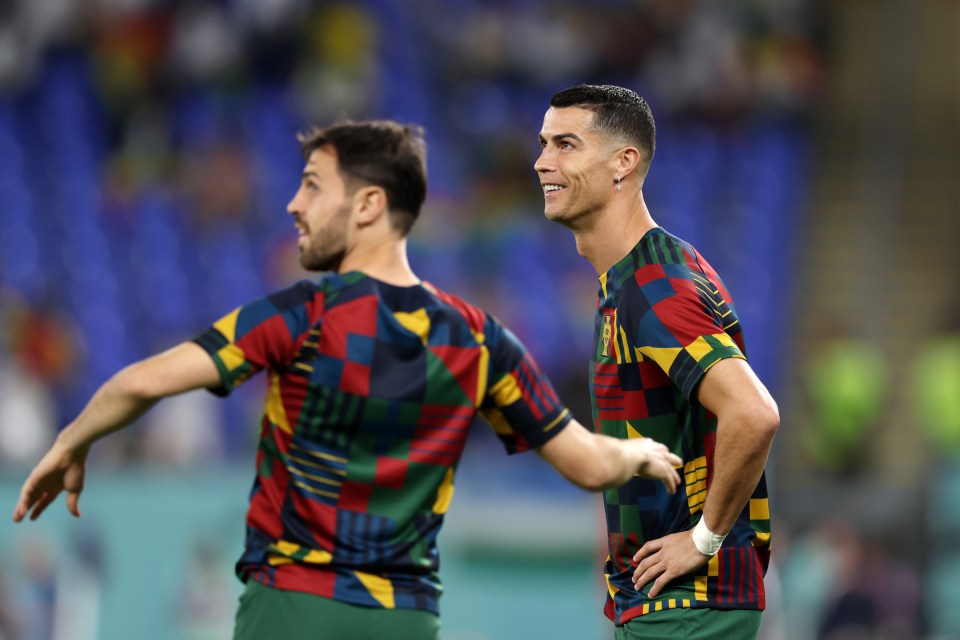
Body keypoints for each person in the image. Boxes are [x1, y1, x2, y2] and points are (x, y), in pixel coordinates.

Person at [13, 119, 683, 640]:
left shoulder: (300, 316)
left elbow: (139, 384)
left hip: (292, 608)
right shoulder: (481, 341)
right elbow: (588, 464)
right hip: (402, 619)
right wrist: (642, 452)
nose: (294, 205)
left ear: (367, 205)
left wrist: (73, 440)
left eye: (312, 186)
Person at [534, 84, 780, 639]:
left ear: (624, 162)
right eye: (544, 143)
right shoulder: (636, 277)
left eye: (566, 144)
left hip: (686, 607)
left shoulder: (651, 286)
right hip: (662, 605)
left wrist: (704, 538)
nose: (542, 160)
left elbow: (754, 413)